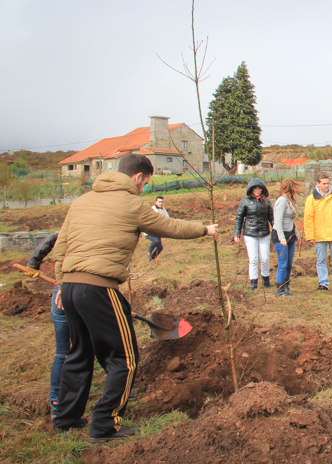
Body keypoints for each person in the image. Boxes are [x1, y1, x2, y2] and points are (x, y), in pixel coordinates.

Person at [51, 153, 219, 442]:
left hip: (70, 287)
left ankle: (66, 417)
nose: (144, 189)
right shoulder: (130, 204)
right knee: (124, 358)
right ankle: (105, 424)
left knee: (79, 352)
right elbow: (169, 227)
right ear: (139, 177)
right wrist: (204, 229)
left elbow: (61, 245)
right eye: (145, 183)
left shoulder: (80, 202)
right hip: (99, 286)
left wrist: (60, 284)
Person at [23, 233, 66, 419]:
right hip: (75, 293)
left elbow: (51, 238)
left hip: (61, 292)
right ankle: (120, 390)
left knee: (63, 351)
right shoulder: (86, 234)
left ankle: (56, 400)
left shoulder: (66, 231)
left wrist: (34, 263)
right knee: (97, 342)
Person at [304, 172, 332, 293]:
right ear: (317, 184)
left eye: (328, 183)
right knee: (320, 261)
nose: (326, 186)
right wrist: (310, 236)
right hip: (319, 236)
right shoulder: (311, 199)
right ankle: (323, 284)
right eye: (324, 183)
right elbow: (308, 219)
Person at [233, 178, 274, 291]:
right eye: (255, 188)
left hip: (264, 232)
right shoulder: (245, 201)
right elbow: (239, 218)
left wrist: (276, 230)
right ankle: (253, 282)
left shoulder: (267, 202)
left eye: (259, 188)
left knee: (265, 258)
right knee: (253, 258)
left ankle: (266, 280)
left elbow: (271, 217)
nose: (257, 190)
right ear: (251, 189)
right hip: (250, 233)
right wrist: (237, 233)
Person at [272, 179, 302, 297]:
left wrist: (297, 234)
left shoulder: (290, 201)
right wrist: (281, 238)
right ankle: (279, 288)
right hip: (281, 236)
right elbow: (278, 220)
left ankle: (286, 285)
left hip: (290, 235)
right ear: (290, 188)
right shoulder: (282, 201)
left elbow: (290, 220)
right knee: (283, 263)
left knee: (289, 263)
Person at [145, 195, 169, 261]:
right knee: (156, 241)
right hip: (149, 231)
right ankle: (149, 251)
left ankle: (151, 260)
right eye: (159, 202)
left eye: (162, 202)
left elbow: (168, 219)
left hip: (158, 231)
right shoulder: (151, 209)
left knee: (160, 248)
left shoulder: (163, 210)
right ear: (156, 202)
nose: (161, 203)